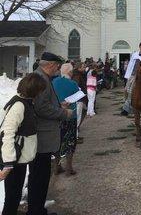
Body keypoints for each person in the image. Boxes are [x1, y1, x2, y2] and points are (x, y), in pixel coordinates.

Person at [27, 52, 73, 215]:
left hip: (43, 136)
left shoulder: (42, 77)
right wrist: (63, 113)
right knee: (39, 177)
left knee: (41, 176)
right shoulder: (40, 79)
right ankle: (35, 210)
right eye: (57, 66)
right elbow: (41, 108)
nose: (57, 69)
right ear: (51, 65)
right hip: (42, 136)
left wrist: (58, 104)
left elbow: (46, 103)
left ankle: (38, 209)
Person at [0, 74, 46, 215]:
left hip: (19, 159)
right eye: (40, 90)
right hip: (14, 161)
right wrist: (8, 162)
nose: (40, 93)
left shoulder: (24, 102)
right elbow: (7, 132)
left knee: (14, 196)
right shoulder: (19, 105)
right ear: (34, 90)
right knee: (12, 199)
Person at [52, 63, 80, 176]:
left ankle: (56, 167)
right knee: (70, 141)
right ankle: (69, 167)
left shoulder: (54, 82)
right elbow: (78, 96)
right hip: (70, 116)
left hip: (57, 116)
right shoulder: (73, 83)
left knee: (57, 141)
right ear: (70, 72)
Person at [121, 41, 141, 116]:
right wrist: (128, 76)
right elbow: (130, 65)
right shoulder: (134, 55)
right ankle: (126, 108)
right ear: (139, 47)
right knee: (127, 90)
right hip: (134, 75)